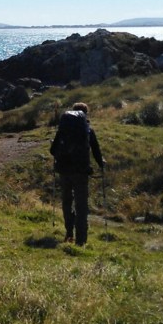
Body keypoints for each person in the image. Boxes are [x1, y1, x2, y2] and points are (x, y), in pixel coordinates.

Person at [49, 102, 105, 246]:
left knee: (67, 203)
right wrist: (101, 164)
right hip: (81, 172)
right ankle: (81, 241)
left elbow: (52, 150)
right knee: (81, 206)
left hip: (64, 171)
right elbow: (96, 151)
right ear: (85, 114)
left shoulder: (63, 129)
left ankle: (69, 233)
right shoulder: (87, 130)